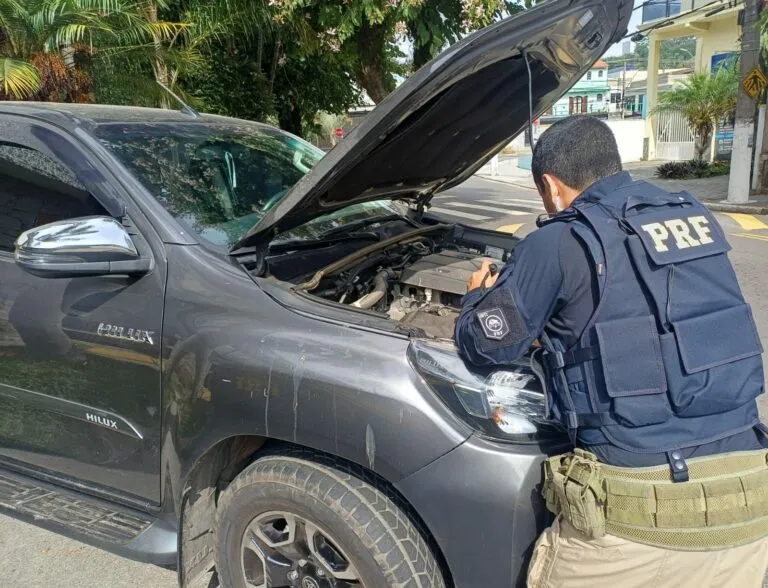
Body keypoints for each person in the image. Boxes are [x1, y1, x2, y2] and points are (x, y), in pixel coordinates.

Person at [455, 116, 768, 588]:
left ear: (550, 185)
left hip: (637, 523)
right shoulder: (692, 216)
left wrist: (477, 297)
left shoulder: (558, 242)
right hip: (748, 507)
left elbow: (484, 345)